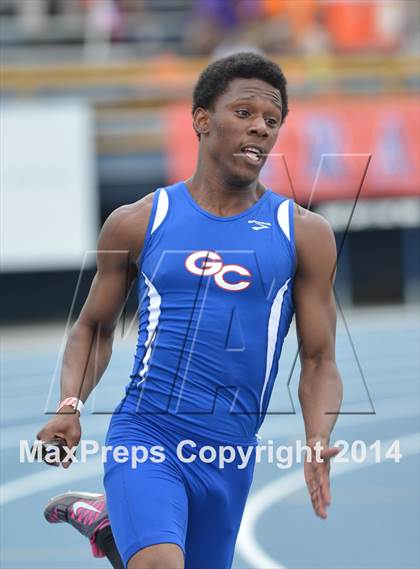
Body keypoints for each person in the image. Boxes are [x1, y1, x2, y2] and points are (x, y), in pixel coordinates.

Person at [36, 51, 343, 569]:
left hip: (229, 455)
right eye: (244, 112)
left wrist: (317, 438)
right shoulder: (138, 222)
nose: (261, 128)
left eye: (272, 120)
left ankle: (111, 529)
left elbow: (318, 359)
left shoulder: (304, 235)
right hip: (147, 432)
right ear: (201, 119)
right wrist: (70, 405)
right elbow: (93, 327)